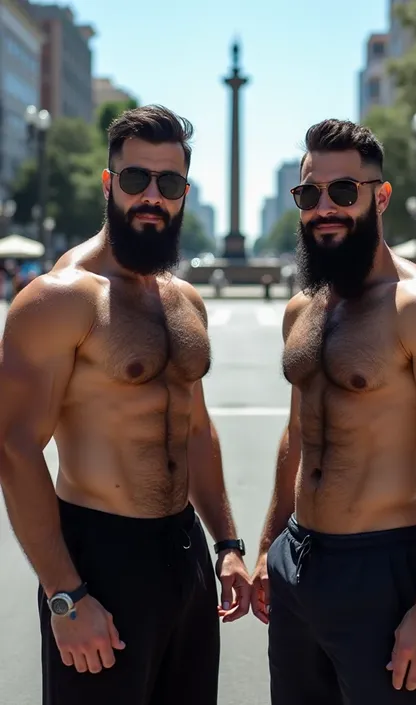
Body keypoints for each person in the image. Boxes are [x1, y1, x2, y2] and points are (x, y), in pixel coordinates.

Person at [0, 104, 251, 705]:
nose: (152, 196)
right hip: (101, 563)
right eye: (136, 179)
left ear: (183, 192)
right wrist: (66, 595)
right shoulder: (60, 297)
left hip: (185, 553)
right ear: (110, 183)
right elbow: (14, 445)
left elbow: (196, 429)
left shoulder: (183, 300)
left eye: (169, 183)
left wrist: (229, 545)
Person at [251, 119, 416, 705]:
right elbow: (298, 433)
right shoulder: (302, 310)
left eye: (344, 192)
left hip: (384, 570)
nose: (325, 207)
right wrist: (268, 546)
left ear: (381, 195)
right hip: (297, 562)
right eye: (310, 194)